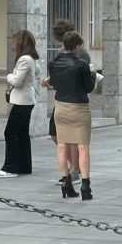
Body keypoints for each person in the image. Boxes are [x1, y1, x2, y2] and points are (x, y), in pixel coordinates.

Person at [41, 31, 95, 200]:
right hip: (79, 107)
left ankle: (66, 182)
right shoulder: (82, 65)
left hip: (61, 107)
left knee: (62, 145)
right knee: (83, 146)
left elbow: (55, 83)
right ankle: (85, 185)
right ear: (78, 46)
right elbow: (88, 87)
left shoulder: (53, 64)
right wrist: (92, 75)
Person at [0, 30, 44, 178]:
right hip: (28, 100)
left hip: (22, 101)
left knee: (10, 132)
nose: (14, 45)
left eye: (15, 42)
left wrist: (9, 76)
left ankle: (10, 168)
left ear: (21, 44)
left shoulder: (24, 59)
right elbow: (37, 73)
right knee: (22, 134)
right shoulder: (32, 59)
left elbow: (16, 81)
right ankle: (24, 166)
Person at [48, 19, 86, 185]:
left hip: (73, 100)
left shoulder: (81, 53)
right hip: (62, 99)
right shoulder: (60, 52)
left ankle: (75, 171)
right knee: (56, 135)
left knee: (71, 138)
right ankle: (73, 168)